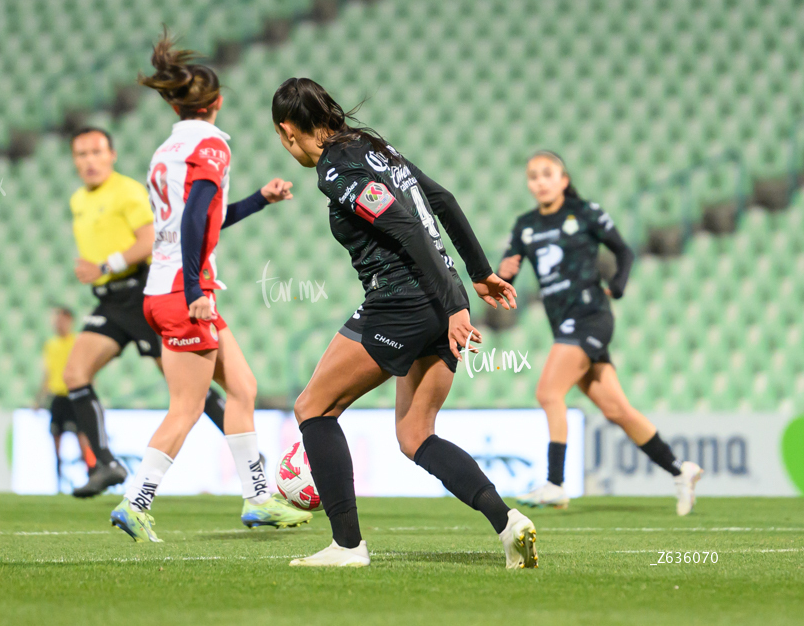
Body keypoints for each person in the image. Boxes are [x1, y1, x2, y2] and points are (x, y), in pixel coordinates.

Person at [271, 77, 538, 569]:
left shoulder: (334, 169)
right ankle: (508, 523)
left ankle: (347, 547)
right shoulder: (375, 147)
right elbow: (443, 199)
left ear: (288, 131)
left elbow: (407, 224)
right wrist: (478, 275)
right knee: (415, 434)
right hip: (438, 298)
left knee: (313, 408)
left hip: (405, 300)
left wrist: (457, 302)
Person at [109, 32, 312, 542]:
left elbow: (199, 218)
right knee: (188, 407)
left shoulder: (166, 150)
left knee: (242, 386)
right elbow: (198, 215)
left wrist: (258, 200)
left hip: (167, 286)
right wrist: (199, 284)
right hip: (185, 290)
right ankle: (135, 500)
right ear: (216, 103)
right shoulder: (212, 143)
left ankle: (258, 498)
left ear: (176, 104)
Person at [499, 150, 702, 514]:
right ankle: (680, 470)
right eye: (533, 176)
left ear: (563, 178)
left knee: (548, 393)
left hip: (590, 315)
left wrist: (619, 285)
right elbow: (507, 275)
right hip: (564, 324)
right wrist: (505, 271)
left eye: (548, 173)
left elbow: (623, 251)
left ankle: (556, 484)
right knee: (617, 410)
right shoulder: (525, 225)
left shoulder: (585, 213)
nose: (540, 181)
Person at [65, 125, 231, 498]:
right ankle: (105, 463)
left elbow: (149, 238)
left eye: (96, 152)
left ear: (112, 156)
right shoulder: (79, 199)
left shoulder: (125, 191)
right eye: (81, 154)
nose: (89, 161)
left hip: (141, 291)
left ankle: (243, 448)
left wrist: (105, 265)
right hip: (110, 300)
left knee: (186, 386)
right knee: (75, 373)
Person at [36, 306, 96, 490]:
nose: (57, 323)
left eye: (61, 319)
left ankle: (91, 476)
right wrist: (39, 399)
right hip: (57, 398)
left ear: (69, 320)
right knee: (56, 441)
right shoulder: (50, 345)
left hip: (74, 396)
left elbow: (88, 369)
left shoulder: (77, 342)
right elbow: (47, 374)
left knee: (82, 439)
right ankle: (59, 482)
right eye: (56, 320)